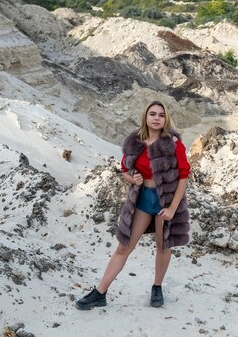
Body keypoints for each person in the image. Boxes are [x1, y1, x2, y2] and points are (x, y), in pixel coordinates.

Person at [76, 101, 191, 310]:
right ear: (145, 117)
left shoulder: (173, 144)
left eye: (161, 115)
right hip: (143, 199)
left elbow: (184, 175)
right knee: (124, 246)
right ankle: (100, 292)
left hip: (165, 199)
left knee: (162, 245)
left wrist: (173, 208)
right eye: (152, 114)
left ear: (166, 119)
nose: (157, 118)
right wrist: (133, 180)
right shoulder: (134, 142)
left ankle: (157, 287)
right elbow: (124, 169)